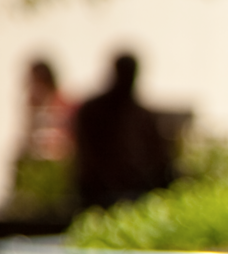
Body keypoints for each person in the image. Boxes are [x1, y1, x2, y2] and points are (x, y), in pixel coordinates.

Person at [71, 52, 175, 209]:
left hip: (134, 191)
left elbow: (160, 157)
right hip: (100, 193)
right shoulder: (94, 111)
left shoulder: (141, 115)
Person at [19, 57, 75, 163]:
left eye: (32, 81)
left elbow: (59, 147)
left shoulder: (63, 106)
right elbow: (29, 146)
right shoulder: (38, 107)